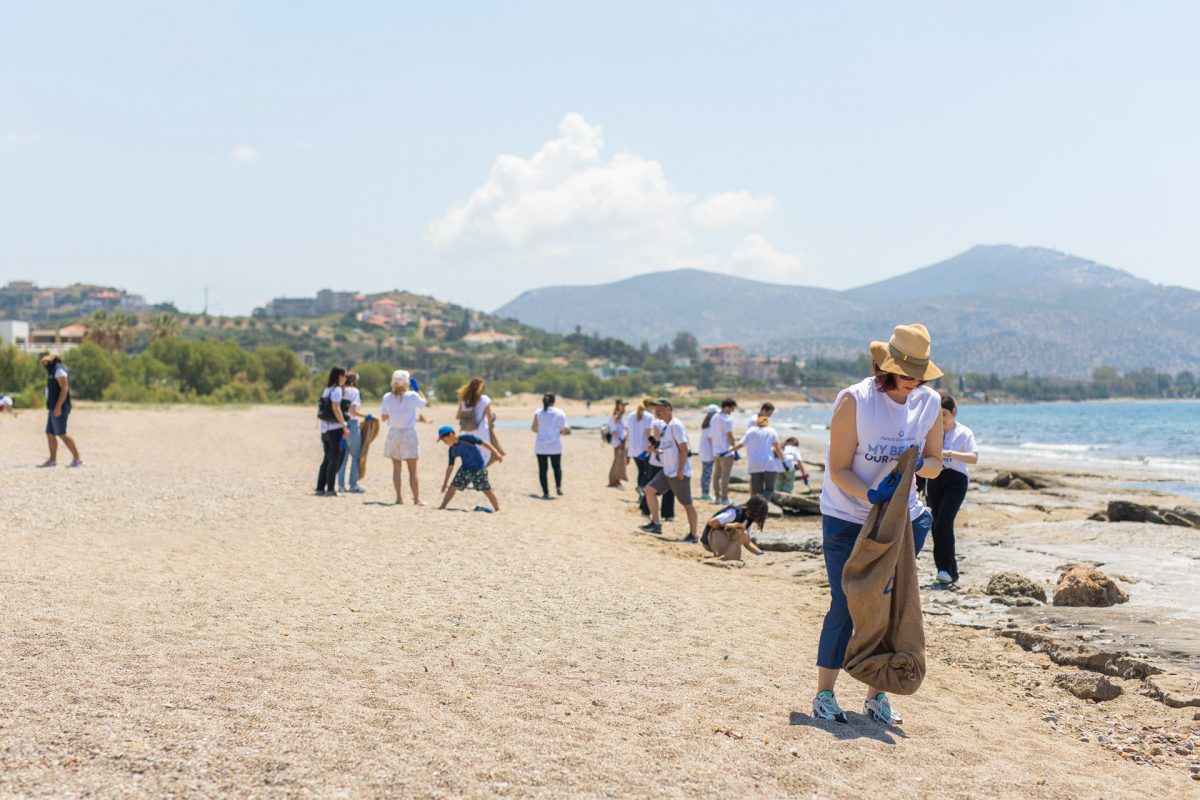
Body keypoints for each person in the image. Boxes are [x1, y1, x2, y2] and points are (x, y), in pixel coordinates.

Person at [812, 323, 945, 727]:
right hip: (847, 518)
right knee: (846, 604)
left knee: (889, 609)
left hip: (899, 523)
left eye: (920, 376)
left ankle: (876, 695)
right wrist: (870, 495)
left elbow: (937, 464)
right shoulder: (855, 401)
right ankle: (824, 694)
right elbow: (837, 469)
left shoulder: (929, 402)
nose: (914, 383)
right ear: (885, 367)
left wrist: (919, 464)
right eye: (907, 376)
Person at [927, 395, 978, 585]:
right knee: (935, 524)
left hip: (956, 480)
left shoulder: (964, 432)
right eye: (938, 415)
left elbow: (974, 458)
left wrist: (949, 453)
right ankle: (942, 570)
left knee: (944, 523)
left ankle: (951, 571)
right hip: (934, 478)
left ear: (954, 411)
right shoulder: (932, 432)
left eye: (945, 414)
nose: (942, 419)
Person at [640, 399, 698, 541]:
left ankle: (694, 535)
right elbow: (668, 450)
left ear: (668, 409)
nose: (657, 412)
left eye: (660, 409)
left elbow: (684, 449)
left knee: (687, 504)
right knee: (649, 490)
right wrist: (656, 450)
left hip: (678, 473)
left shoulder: (676, 425)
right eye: (656, 409)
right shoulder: (666, 427)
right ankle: (656, 524)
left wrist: (680, 470)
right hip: (667, 472)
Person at [380, 370, 428, 505]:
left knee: (396, 468)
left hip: (393, 433)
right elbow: (424, 404)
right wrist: (418, 389)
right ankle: (416, 498)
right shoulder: (412, 396)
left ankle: (399, 497)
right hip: (408, 433)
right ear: (407, 383)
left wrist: (394, 413)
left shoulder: (387, 397)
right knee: (412, 469)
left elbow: (384, 417)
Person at [437, 425, 503, 512]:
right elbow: (450, 467)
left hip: (479, 468)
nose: (445, 443)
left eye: (445, 440)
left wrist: (496, 453)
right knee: (453, 486)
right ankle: (442, 506)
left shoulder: (466, 438)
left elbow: (484, 443)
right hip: (465, 469)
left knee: (486, 489)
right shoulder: (452, 450)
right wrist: (445, 483)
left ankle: (497, 509)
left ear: (451, 434)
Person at [37, 352, 82, 468]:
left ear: (51, 360)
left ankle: (77, 459)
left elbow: (64, 389)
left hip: (60, 407)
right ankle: (52, 460)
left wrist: (58, 407)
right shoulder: (52, 371)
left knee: (62, 433)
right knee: (50, 433)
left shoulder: (59, 370)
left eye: (45, 361)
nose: (43, 363)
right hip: (52, 407)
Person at [730, 414, 783, 501]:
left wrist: (729, 450)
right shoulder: (771, 430)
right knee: (769, 489)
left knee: (757, 491)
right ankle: (764, 504)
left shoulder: (751, 430)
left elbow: (741, 444)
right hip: (768, 463)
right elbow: (777, 447)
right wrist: (782, 458)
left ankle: (758, 508)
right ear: (767, 423)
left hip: (754, 464)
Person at [638, 399, 675, 522]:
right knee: (666, 489)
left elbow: (652, 439)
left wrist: (653, 446)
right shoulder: (668, 424)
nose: (657, 411)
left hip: (658, 461)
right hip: (662, 461)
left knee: (651, 487)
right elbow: (655, 439)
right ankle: (668, 514)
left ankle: (646, 510)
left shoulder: (660, 423)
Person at [701, 495, 770, 559]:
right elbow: (712, 522)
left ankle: (726, 554)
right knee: (742, 532)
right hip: (709, 540)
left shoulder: (748, 519)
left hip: (720, 539)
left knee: (743, 534)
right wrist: (728, 526)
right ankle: (721, 553)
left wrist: (761, 554)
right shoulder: (735, 512)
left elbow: (747, 542)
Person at [316, 366, 349, 496]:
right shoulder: (337, 390)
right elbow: (336, 408)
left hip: (325, 429)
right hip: (335, 429)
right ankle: (330, 489)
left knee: (326, 459)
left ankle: (320, 487)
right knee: (334, 460)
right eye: (344, 376)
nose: (345, 378)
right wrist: (344, 425)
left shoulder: (327, 389)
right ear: (339, 376)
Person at [456, 377, 504, 467]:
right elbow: (489, 417)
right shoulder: (485, 399)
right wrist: (493, 417)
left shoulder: (464, 399)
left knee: (469, 456)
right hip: (481, 431)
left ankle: (471, 475)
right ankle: (479, 475)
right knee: (485, 455)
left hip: (466, 432)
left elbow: (458, 417)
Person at [337, 372, 370, 494]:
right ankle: (353, 484)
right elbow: (353, 411)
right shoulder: (354, 391)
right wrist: (366, 416)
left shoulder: (339, 390)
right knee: (356, 456)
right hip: (352, 425)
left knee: (342, 457)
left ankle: (340, 485)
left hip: (340, 425)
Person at [532, 393, 570, 498]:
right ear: (554, 401)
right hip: (555, 445)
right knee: (556, 467)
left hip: (541, 446)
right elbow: (564, 430)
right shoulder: (560, 412)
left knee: (543, 470)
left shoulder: (538, 412)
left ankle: (546, 492)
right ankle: (558, 487)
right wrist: (561, 431)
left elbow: (534, 429)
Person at [625, 400, 653, 506]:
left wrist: (627, 448)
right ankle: (641, 488)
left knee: (641, 470)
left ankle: (640, 492)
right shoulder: (649, 416)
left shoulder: (631, 415)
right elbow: (647, 433)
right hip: (643, 449)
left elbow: (628, 432)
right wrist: (650, 446)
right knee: (646, 471)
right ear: (648, 405)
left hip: (633, 449)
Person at [710, 398, 737, 504]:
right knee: (725, 476)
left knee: (716, 475)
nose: (732, 411)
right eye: (732, 408)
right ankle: (724, 498)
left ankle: (717, 497)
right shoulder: (727, 419)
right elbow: (729, 435)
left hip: (716, 451)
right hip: (726, 451)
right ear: (727, 407)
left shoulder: (714, 418)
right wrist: (734, 446)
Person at [605, 399, 628, 487]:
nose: (624, 407)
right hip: (617, 442)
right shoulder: (614, 417)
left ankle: (616, 480)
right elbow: (614, 431)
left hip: (621, 442)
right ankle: (613, 480)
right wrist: (620, 440)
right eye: (622, 405)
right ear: (618, 405)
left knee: (619, 461)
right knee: (617, 461)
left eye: (624, 405)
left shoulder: (620, 416)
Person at [698, 404, 718, 501]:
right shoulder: (710, 426)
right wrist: (715, 452)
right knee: (707, 473)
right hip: (709, 452)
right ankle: (705, 493)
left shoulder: (705, 425)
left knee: (705, 472)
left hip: (703, 452)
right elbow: (711, 440)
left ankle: (704, 492)